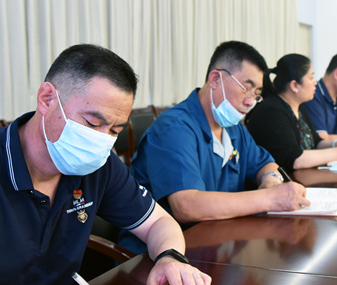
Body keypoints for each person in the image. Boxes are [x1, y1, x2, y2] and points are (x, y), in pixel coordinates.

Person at [0, 44, 211, 285]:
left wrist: (170, 257)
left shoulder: (98, 164)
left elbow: (158, 222)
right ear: (47, 99)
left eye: (114, 130)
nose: (102, 140)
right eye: (92, 123)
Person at [126, 41, 309, 233]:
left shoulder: (233, 128)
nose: (250, 102)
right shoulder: (174, 128)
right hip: (170, 244)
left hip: (220, 235)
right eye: (246, 88)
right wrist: (269, 198)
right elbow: (186, 206)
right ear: (215, 79)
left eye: (256, 94)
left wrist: (271, 180)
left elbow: (265, 163)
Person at [245, 54, 337, 172]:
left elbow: (317, 142)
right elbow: (295, 159)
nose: (315, 83)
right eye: (311, 78)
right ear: (294, 85)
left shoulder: (298, 108)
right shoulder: (272, 111)